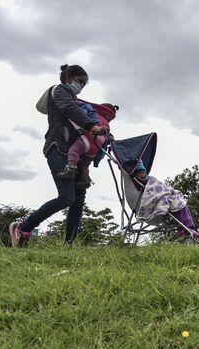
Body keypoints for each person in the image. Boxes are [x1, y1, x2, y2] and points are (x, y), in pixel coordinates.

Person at [9, 64, 108, 247]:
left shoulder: (76, 101)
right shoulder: (59, 91)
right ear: (68, 77)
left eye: (84, 84)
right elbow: (69, 109)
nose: (81, 86)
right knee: (66, 197)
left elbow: (78, 113)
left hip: (76, 153)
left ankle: (69, 243)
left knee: (78, 200)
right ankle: (23, 228)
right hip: (58, 147)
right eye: (79, 81)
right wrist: (92, 127)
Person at [133, 160, 199, 239]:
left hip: (164, 194)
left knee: (182, 203)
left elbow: (159, 185)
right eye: (140, 172)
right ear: (136, 173)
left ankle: (189, 227)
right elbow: (153, 189)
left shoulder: (148, 179)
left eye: (143, 172)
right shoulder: (139, 182)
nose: (142, 174)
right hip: (158, 197)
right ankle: (185, 228)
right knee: (176, 201)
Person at [56, 101, 118, 188]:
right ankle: (84, 179)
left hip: (87, 140)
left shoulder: (93, 113)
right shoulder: (107, 124)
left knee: (74, 151)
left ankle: (71, 169)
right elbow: (107, 138)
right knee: (85, 164)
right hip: (95, 149)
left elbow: (82, 115)